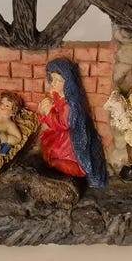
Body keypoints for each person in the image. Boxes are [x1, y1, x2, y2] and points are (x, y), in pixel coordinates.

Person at [37, 58, 107, 188]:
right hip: (57, 136)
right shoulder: (57, 96)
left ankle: (67, 169)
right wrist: (42, 112)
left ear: (68, 82)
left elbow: (62, 124)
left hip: (68, 141)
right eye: (52, 79)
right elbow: (51, 119)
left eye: (58, 80)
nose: (53, 83)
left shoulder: (71, 104)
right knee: (48, 153)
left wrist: (48, 113)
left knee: (57, 158)